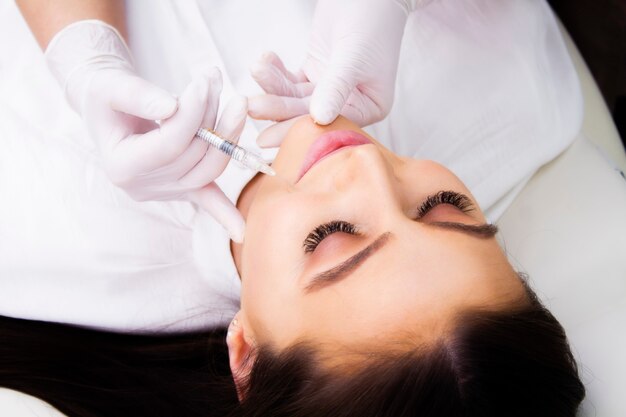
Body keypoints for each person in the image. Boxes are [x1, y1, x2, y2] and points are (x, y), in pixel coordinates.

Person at [0, 0, 586, 415]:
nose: (369, 168)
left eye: (332, 237)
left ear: (246, 353)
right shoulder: (511, 104)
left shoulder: (46, 239)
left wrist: (79, 51)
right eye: (442, 206)